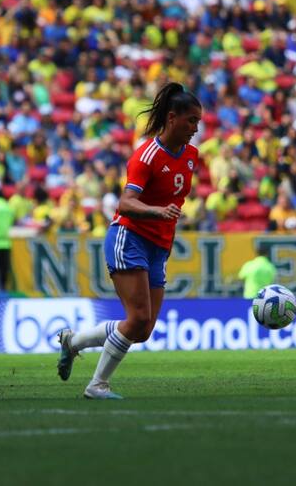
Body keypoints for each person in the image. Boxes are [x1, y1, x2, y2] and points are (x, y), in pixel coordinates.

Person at [56, 83, 201, 399]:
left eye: (198, 122)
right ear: (172, 118)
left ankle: (73, 341)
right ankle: (97, 385)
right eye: (191, 121)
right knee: (137, 319)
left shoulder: (191, 155)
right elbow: (125, 202)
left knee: (143, 329)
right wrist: (158, 211)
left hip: (158, 246)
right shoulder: (146, 155)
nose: (195, 128)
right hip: (129, 237)